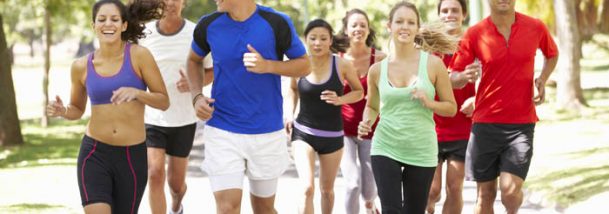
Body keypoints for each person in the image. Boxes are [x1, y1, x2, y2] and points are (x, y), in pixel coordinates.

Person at [185, 0, 310, 213]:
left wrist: (268, 65)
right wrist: (197, 96)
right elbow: (193, 60)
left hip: (266, 130)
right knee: (227, 208)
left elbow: (305, 65)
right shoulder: (209, 24)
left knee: (263, 208)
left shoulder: (276, 22)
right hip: (222, 127)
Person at [46, 0, 168, 213]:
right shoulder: (80, 66)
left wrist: (138, 93)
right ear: (94, 26)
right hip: (94, 152)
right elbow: (77, 108)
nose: (108, 24)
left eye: (114, 19)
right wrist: (63, 111)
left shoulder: (139, 56)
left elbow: (163, 100)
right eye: (101, 20)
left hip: (131, 156)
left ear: (123, 25)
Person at [449, 0, 558, 213]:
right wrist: (463, 76)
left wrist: (542, 79)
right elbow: (453, 77)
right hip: (485, 125)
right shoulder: (475, 33)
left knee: (510, 192)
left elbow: (552, 54)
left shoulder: (535, 27)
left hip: (521, 124)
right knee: (485, 194)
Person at [357, 1, 458, 213]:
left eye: (411, 22)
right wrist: (366, 121)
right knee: (391, 210)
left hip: (421, 149)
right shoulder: (377, 70)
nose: (405, 26)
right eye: (399, 21)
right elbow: (372, 106)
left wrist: (429, 102)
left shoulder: (433, 64)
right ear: (389, 26)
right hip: (385, 145)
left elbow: (451, 108)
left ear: (418, 28)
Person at [138, 0, 213, 213]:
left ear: (184, 2)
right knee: (154, 174)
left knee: (175, 184)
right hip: (153, 117)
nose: (170, 2)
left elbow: (210, 71)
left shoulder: (196, 33)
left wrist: (193, 84)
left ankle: (176, 206)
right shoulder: (144, 34)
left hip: (184, 119)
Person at [285, 19, 363, 214]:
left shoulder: (342, 65)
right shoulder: (299, 64)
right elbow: (292, 90)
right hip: (303, 133)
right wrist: (288, 114)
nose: (317, 43)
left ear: (330, 41)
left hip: (332, 136)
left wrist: (341, 99)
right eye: (313, 38)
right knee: (306, 188)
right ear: (306, 40)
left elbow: (359, 91)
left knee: (326, 191)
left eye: (322, 38)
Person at [426, 0, 477, 213]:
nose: (449, 15)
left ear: (463, 14)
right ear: (438, 15)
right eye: (444, 11)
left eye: (455, 10)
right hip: (431, 127)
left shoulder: (473, 44)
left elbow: (491, 78)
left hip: (462, 128)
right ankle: (428, 206)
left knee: (454, 188)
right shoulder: (428, 47)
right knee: (432, 190)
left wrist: (477, 100)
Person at [336, 9, 386, 214]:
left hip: (371, 130)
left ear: (368, 30)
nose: (358, 29)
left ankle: (369, 204)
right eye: (354, 25)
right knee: (352, 183)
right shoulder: (336, 59)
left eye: (362, 25)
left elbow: (390, 91)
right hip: (342, 130)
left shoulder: (380, 58)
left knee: (368, 190)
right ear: (346, 30)